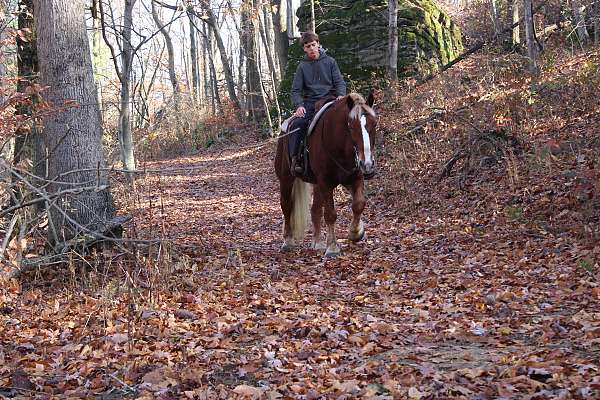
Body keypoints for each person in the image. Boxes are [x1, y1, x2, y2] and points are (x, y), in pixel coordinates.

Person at [289, 31, 347, 175]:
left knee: (351, 120)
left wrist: (340, 95)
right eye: (308, 46)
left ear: (318, 44)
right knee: (297, 124)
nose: (311, 49)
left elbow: (339, 82)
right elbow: (295, 91)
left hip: (331, 100)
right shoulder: (302, 66)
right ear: (304, 48)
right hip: (311, 103)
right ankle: (297, 160)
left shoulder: (330, 62)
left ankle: (354, 158)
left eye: (313, 45)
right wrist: (299, 105)